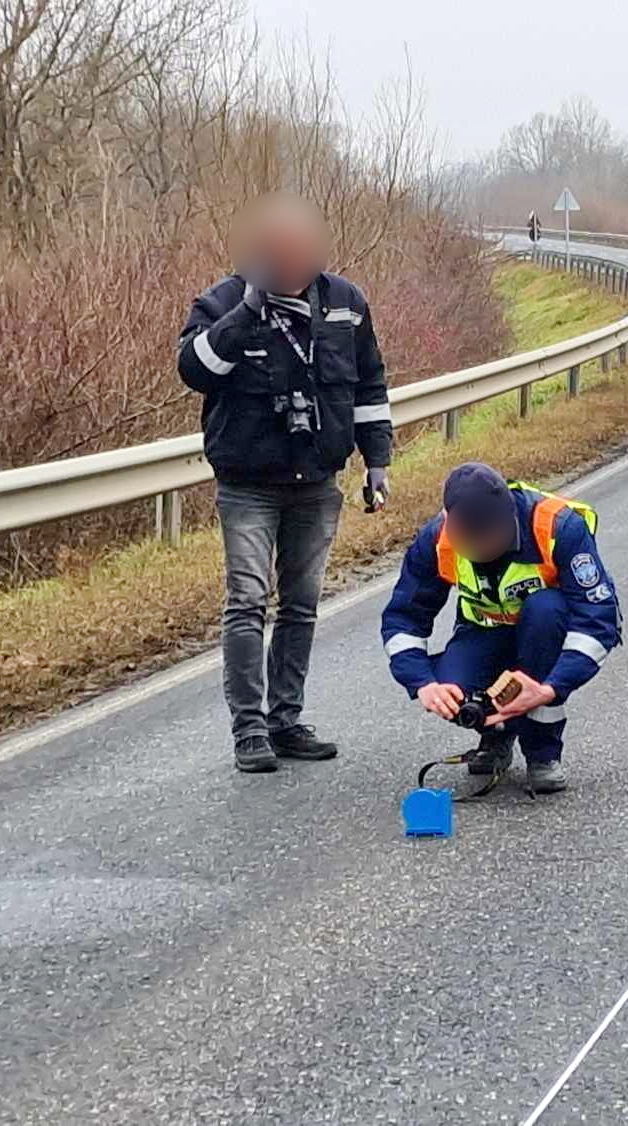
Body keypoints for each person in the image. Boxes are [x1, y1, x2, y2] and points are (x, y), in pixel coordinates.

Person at [177, 193, 395, 773]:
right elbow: (194, 370)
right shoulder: (223, 301)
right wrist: (245, 313)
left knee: (301, 605)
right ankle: (249, 730)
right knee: (248, 601)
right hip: (248, 482)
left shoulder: (345, 302)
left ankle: (286, 720)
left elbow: (369, 385)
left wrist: (377, 460)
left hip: (318, 479)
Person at [379, 463, 620, 794]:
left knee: (546, 610)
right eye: (470, 539)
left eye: (492, 536)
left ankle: (542, 753)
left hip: (545, 631)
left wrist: (551, 687)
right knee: (451, 689)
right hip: (483, 631)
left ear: (511, 517)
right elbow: (403, 619)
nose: (483, 547)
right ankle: (496, 733)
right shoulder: (435, 540)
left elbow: (598, 619)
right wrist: (423, 683)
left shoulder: (558, 527)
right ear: (449, 523)